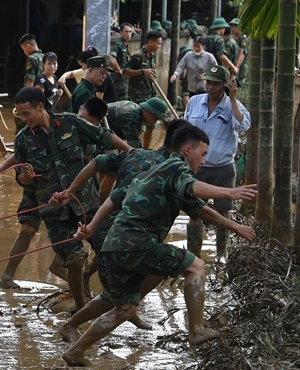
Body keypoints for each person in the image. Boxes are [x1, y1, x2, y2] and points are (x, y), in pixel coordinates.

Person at [60, 125, 257, 366]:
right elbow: (192, 188)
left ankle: (75, 351)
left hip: (113, 245)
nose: (204, 161)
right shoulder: (177, 167)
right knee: (195, 266)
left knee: (124, 308)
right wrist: (230, 192)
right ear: (187, 150)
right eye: (203, 154)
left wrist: (91, 227)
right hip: (137, 243)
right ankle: (196, 330)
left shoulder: (155, 171)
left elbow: (116, 197)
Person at [52, 119, 195, 340]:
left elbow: (97, 163)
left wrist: (70, 191)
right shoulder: (172, 171)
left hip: (120, 236)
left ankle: (122, 309)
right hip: (128, 238)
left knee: (132, 285)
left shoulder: (135, 154)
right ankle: (81, 324)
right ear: (186, 146)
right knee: (116, 296)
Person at [13, 87, 130, 310]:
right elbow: (21, 179)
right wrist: (26, 176)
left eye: (27, 113)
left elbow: (105, 137)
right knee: (75, 260)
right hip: (54, 212)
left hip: (87, 204)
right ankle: (80, 307)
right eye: (21, 115)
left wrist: (132, 153)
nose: (24, 119)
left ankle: (117, 302)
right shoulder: (23, 139)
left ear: (40, 106)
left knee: (108, 250)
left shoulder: (70, 123)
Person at [0, 97, 109, 290]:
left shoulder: (84, 134)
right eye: (83, 116)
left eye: (90, 121)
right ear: (79, 109)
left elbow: (91, 165)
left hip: (67, 191)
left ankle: (69, 272)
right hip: (39, 186)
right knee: (28, 229)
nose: (84, 120)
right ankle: (7, 277)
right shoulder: (62, 121)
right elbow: (21, 154)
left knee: (75, 233)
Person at [183, 65, 251, 257]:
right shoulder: (195, 102)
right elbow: (185, 131)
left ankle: (222, 255)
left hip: (223, 169)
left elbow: (243, 126)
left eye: (215, 83)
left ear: (225, 85)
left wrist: (233, 98)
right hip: (197, 169)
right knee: (195, 213)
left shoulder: (233, 106)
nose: (210, 86)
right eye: (208, 82)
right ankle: (193, 257)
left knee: (223, 213)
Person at [122, 30, 163, 147]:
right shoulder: (137, 56)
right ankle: (131, 149)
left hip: (150, 95)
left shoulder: (152, 56)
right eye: (158, 43)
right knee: (139, 127)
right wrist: (142, 71)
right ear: (150, 42)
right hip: (138, 97)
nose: (159, 46)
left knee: (151, 126)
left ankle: (146, 150)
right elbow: (125, 72)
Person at [169, 38, 219, 109]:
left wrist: (205, 75)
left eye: (198, 46)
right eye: (194, 46)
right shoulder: (188, 56)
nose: (196, 48)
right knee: (193, 107)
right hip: (191, 88)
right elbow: (181, 65)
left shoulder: (209, 57)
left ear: (203, 46)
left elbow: (215, 69)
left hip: (204, 88)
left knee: (202, 106)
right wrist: (175, 74)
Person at [105, 97, 170, 148]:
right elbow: (135, 150)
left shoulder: (137, 109)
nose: (154, 122)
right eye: (154, 118)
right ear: (147, 111)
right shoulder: (130, 118)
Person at [110, 24, 133, 101]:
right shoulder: (119, 44)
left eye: (130, 32)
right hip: (118, 77)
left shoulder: (125, 44)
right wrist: (119, 71)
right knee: (117, 97)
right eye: (126, 32)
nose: (128, 34)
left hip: (124, 76)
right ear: (121, 32)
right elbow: (113, 57)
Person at [230, 18, 249, 83]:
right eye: (232, 26)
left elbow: (242, 53)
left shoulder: (243, 38)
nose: (233, 28)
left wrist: (236, 68)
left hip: (241, 68)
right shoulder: (235, 38)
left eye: (235, 26)